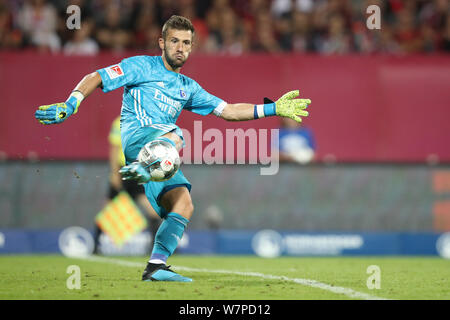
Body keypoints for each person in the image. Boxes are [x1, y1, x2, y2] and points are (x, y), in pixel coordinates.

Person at [35, 15, 311, 282]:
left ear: (192, 47)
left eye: (186, 43)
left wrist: (272, 108)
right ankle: (144, 169)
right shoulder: (140, 66)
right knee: (177, 133)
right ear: (162, 42)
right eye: (175, 41)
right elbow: (96, 75)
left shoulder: (188, 87)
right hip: (137, 139)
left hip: (160, 156)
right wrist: (72, 103)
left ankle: (156, 266)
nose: (180, 48)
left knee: (184, 203)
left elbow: (228, 111)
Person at [92, 115, 161, 255]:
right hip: (123, 171)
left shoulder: (148, 123)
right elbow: (114, 149)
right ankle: (95, 247)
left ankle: (156, 247)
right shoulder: (119, 122)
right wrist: (114, 173)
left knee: (152, 211)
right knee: (107, 211)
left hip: (138, 171)